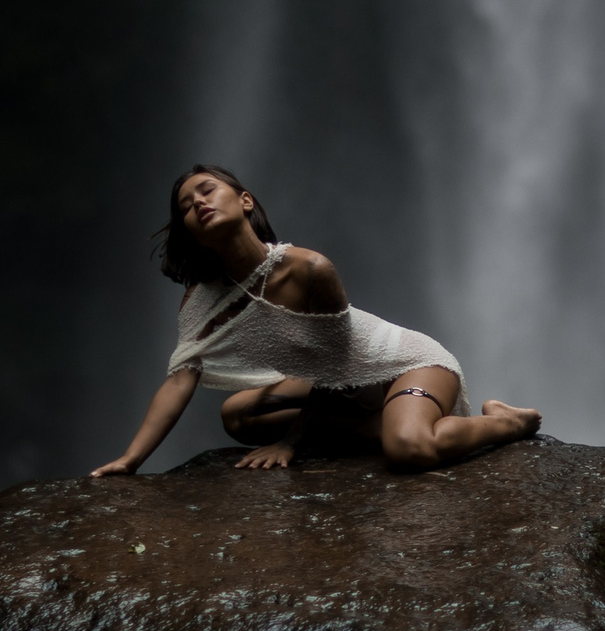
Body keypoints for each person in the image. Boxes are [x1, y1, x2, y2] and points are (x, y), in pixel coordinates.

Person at [91, 165, 543, 475]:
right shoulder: (200, 299)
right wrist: (131, 460)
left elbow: (335, 367)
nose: (199, 204)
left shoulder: (309, 269)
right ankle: (383, 425)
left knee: (409, 450)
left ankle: (506, 421)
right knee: (237, 416)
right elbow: (179, 380)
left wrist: (289, 442)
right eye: (187, 206)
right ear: (190, 230)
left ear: (245, 200)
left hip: (403, 365)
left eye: (207, 190)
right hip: (340, 384)